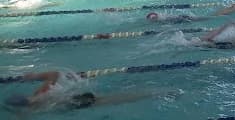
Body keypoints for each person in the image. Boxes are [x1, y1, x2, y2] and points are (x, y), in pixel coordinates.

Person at [4, 70, 165, 111]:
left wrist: (35, 76)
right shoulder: (40, 95)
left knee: (118, 99)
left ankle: (157, 93)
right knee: (118, 98)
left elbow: (54, 74)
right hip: (75, 100)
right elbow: (54, 74)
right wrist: (34, 76)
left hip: (77, 101)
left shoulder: (40, 96)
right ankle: (157, 92)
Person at [146, 3, 235, 23]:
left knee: (212, 17)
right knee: (212, 16)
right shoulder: (164, 17)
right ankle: (232, 8)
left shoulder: (163, 19)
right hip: (185, 17)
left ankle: (234, 9)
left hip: (187, 18)